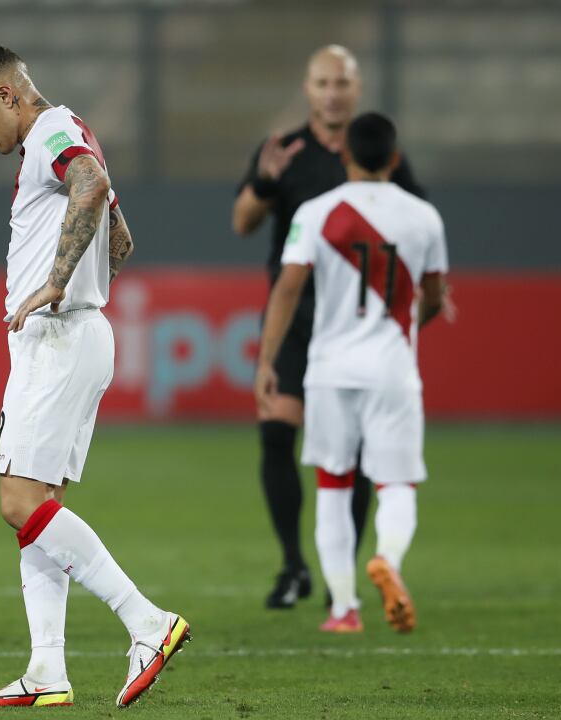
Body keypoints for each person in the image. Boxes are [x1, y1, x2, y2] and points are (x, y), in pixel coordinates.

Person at [0, 44, 189, 709]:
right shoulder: (65, 134)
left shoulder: (51, 129)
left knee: (18, 503)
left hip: (58, 341)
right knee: (36, 508)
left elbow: (93, 187)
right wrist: (74, 272)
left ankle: (148, 622)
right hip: (70, 339)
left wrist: (55, 282)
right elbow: (121, 240)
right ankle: (47, 668)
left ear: (5, 95)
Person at [232, 45, 428, 609]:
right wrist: (265, 184)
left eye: (341, 81)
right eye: (322, 82)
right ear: (308, 88)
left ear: (356, 89)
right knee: (276, 431)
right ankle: (294, 565)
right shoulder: (284, 152)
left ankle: (343, 573)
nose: (332, 91)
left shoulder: (384, 156)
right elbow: (243, 222)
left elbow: (411, 227)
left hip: (355, 323)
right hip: (296, 318)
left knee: (357, 454)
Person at [255, 112, 447, 634]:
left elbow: (288, 288)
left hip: (329, 370)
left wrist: (268, 361)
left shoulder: (318, 213)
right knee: (396, 483)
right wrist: (406, 323)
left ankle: (344, 609)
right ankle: (387, 559)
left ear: (345, 156)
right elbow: (433, 299)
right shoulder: (424, 218)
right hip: (391, 369)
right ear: (394, 157)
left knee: (333, 486)